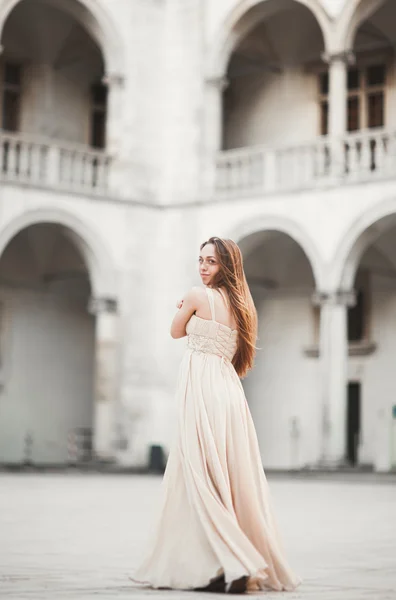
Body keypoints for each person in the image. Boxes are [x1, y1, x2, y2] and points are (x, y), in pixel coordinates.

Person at [133, 237, 301, 593]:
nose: (203, 267)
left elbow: (175, 330)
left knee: (200, 473)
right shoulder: (243, 308)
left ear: (226, 265)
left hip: (202, 389)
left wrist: (185, 306)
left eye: (210, 261)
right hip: (228, 391)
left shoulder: (197, 295)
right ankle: (223, 562)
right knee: (226, 475)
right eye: (200, 260)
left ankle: (233, 561)